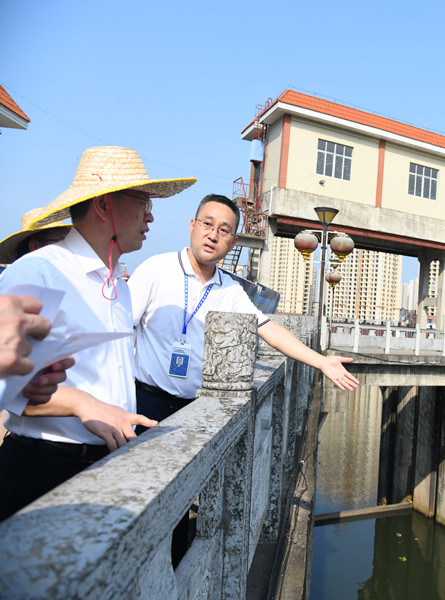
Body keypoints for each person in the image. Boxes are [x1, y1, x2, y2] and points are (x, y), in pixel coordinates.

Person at [0, 146, 196, 521]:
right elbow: (7, 382)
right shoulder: (41, 273)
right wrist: (80, 403)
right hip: (45, 468)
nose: (151, 216)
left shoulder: (118, 282)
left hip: (106, 466)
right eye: (143, 202)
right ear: (104, 206)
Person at [128, 194, 359, 424]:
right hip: (146, 400)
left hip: (194, 409)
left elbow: (269, 330)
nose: (213, 235)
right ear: (192, 226)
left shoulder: (229, 289)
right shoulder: (157, 269)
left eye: (223, 230)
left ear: (233, 242)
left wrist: (321, 362)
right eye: (207, 224)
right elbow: (121, 331)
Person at [0, 210, 75, 409]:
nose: (67, 251)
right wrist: (79, 404)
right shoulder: (23, 276)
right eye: (59, 243)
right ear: (34, 245)